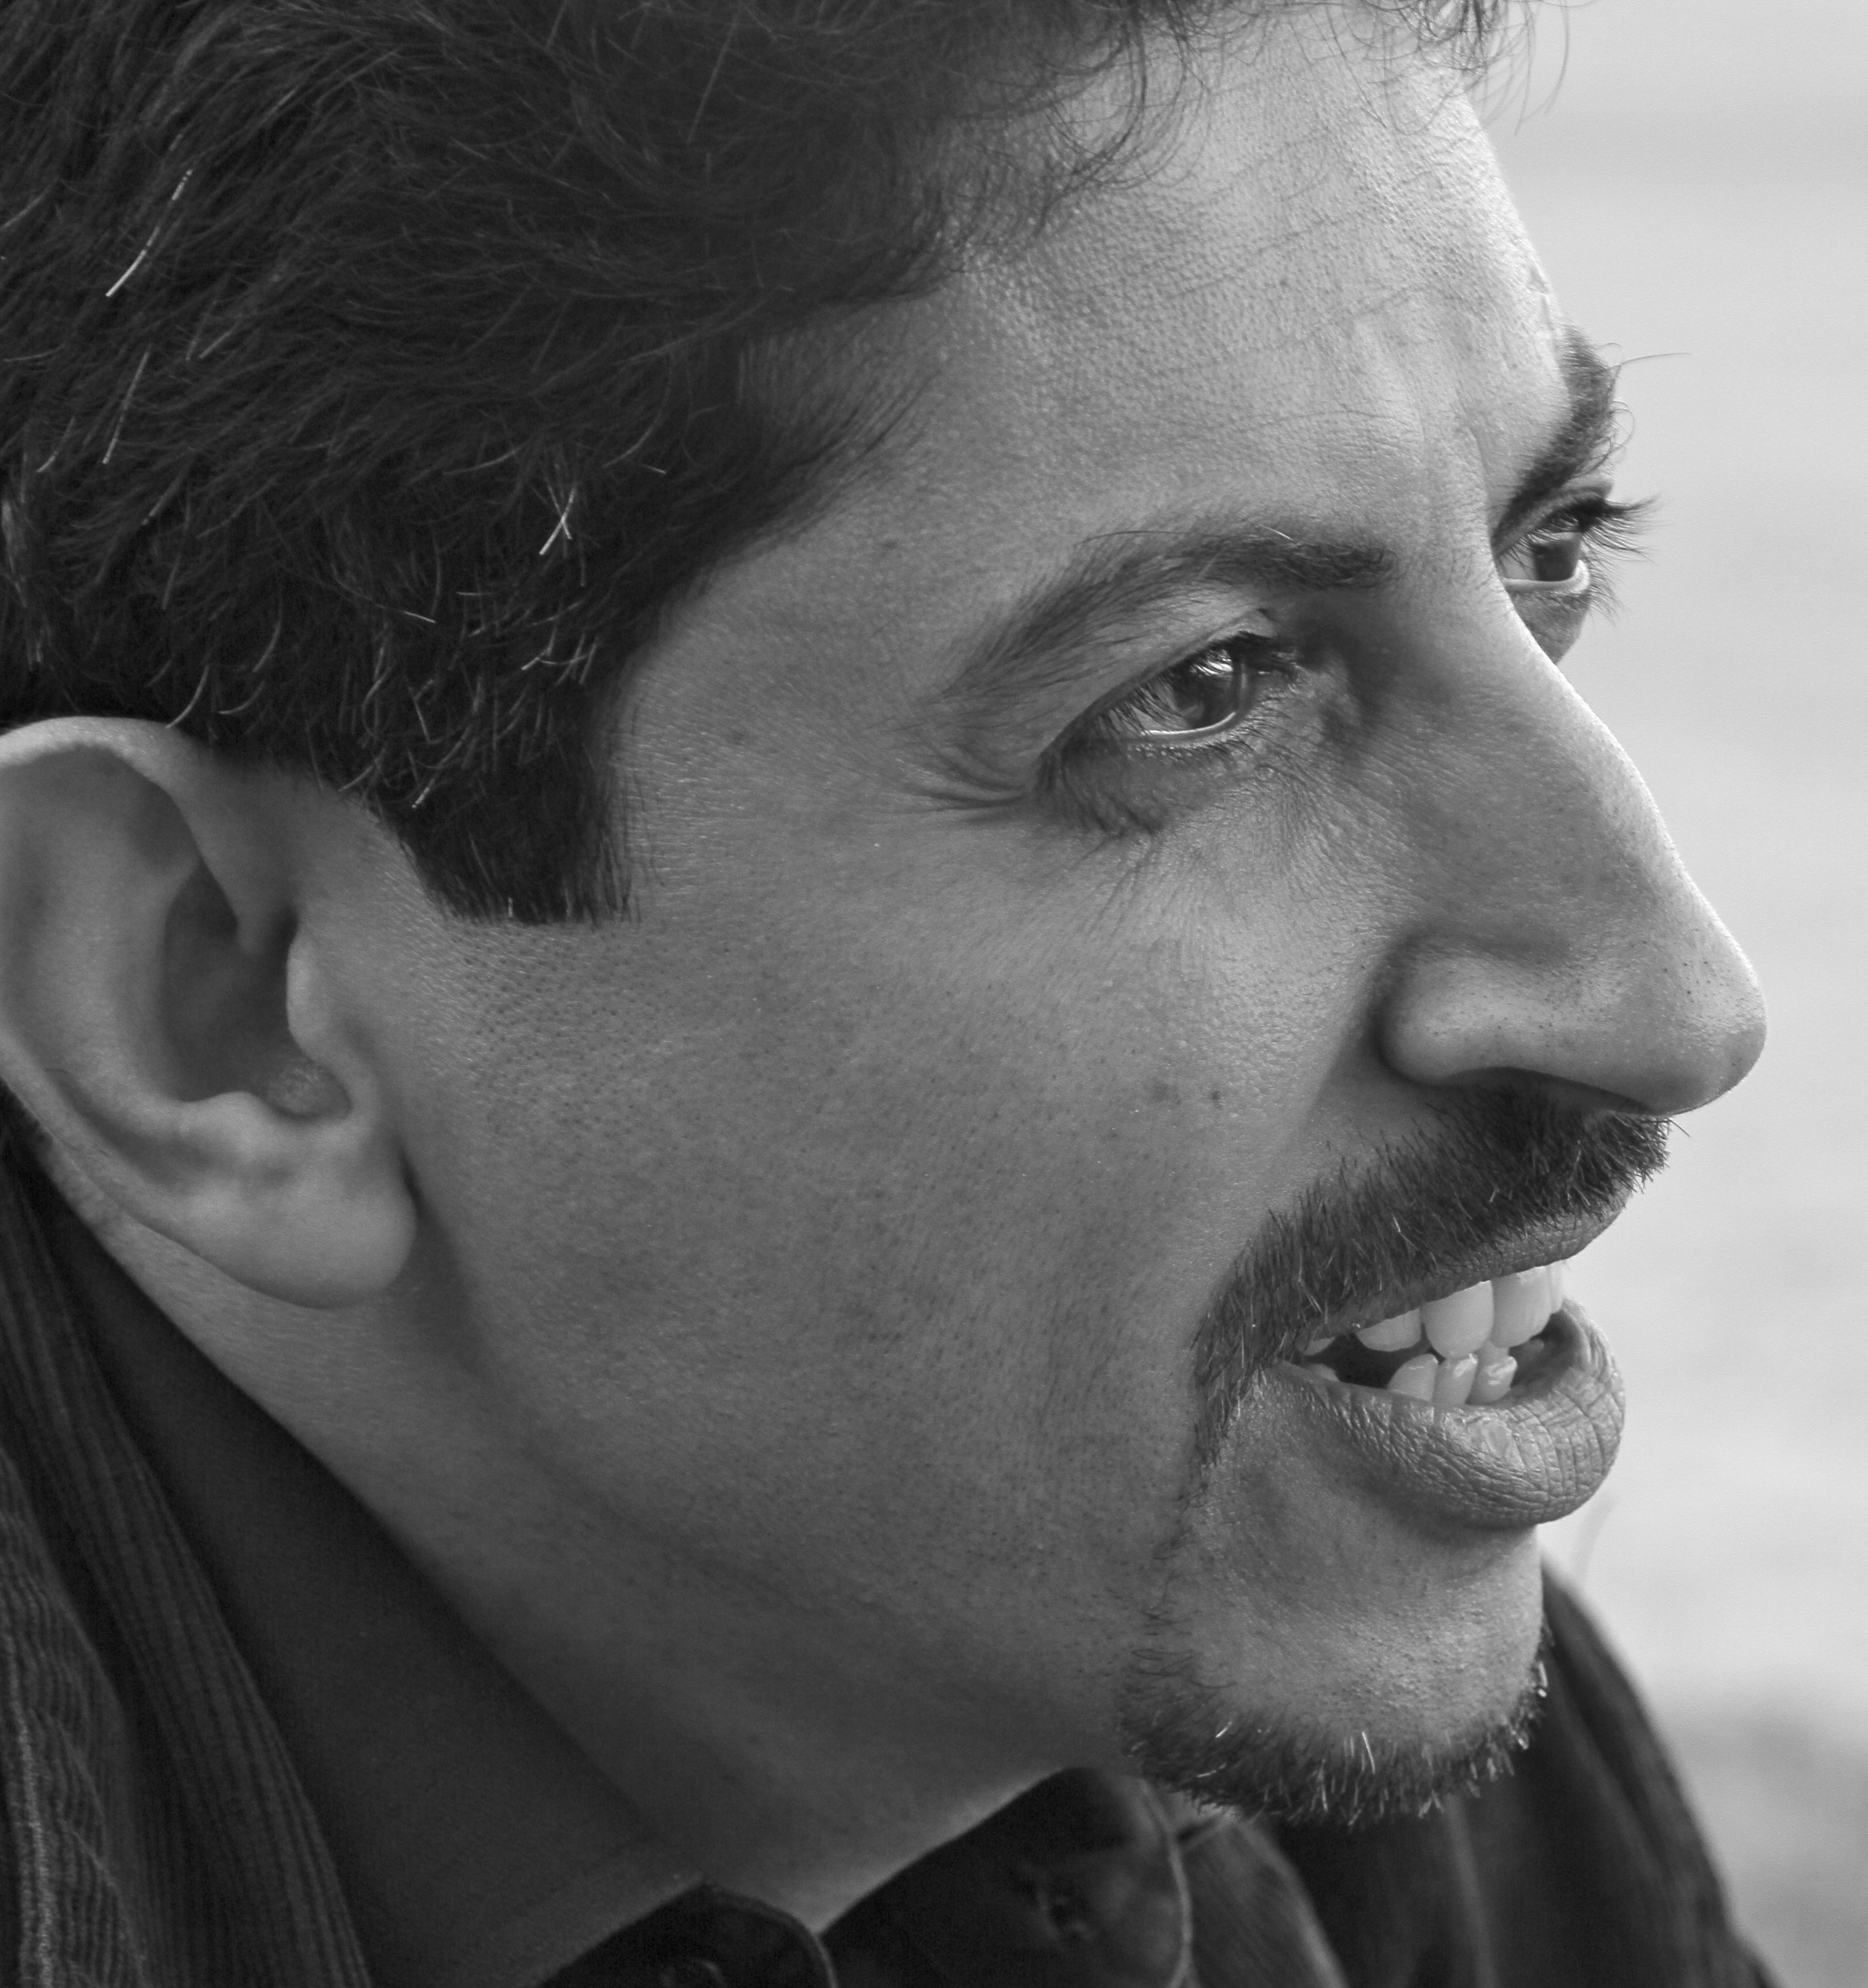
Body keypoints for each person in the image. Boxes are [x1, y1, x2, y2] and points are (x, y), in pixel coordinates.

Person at [0, 0, 1774, 1982]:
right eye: (1198, 689)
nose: (1674, 1006)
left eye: (1548, 550)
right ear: (224, 1004)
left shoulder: (1263, 1629)